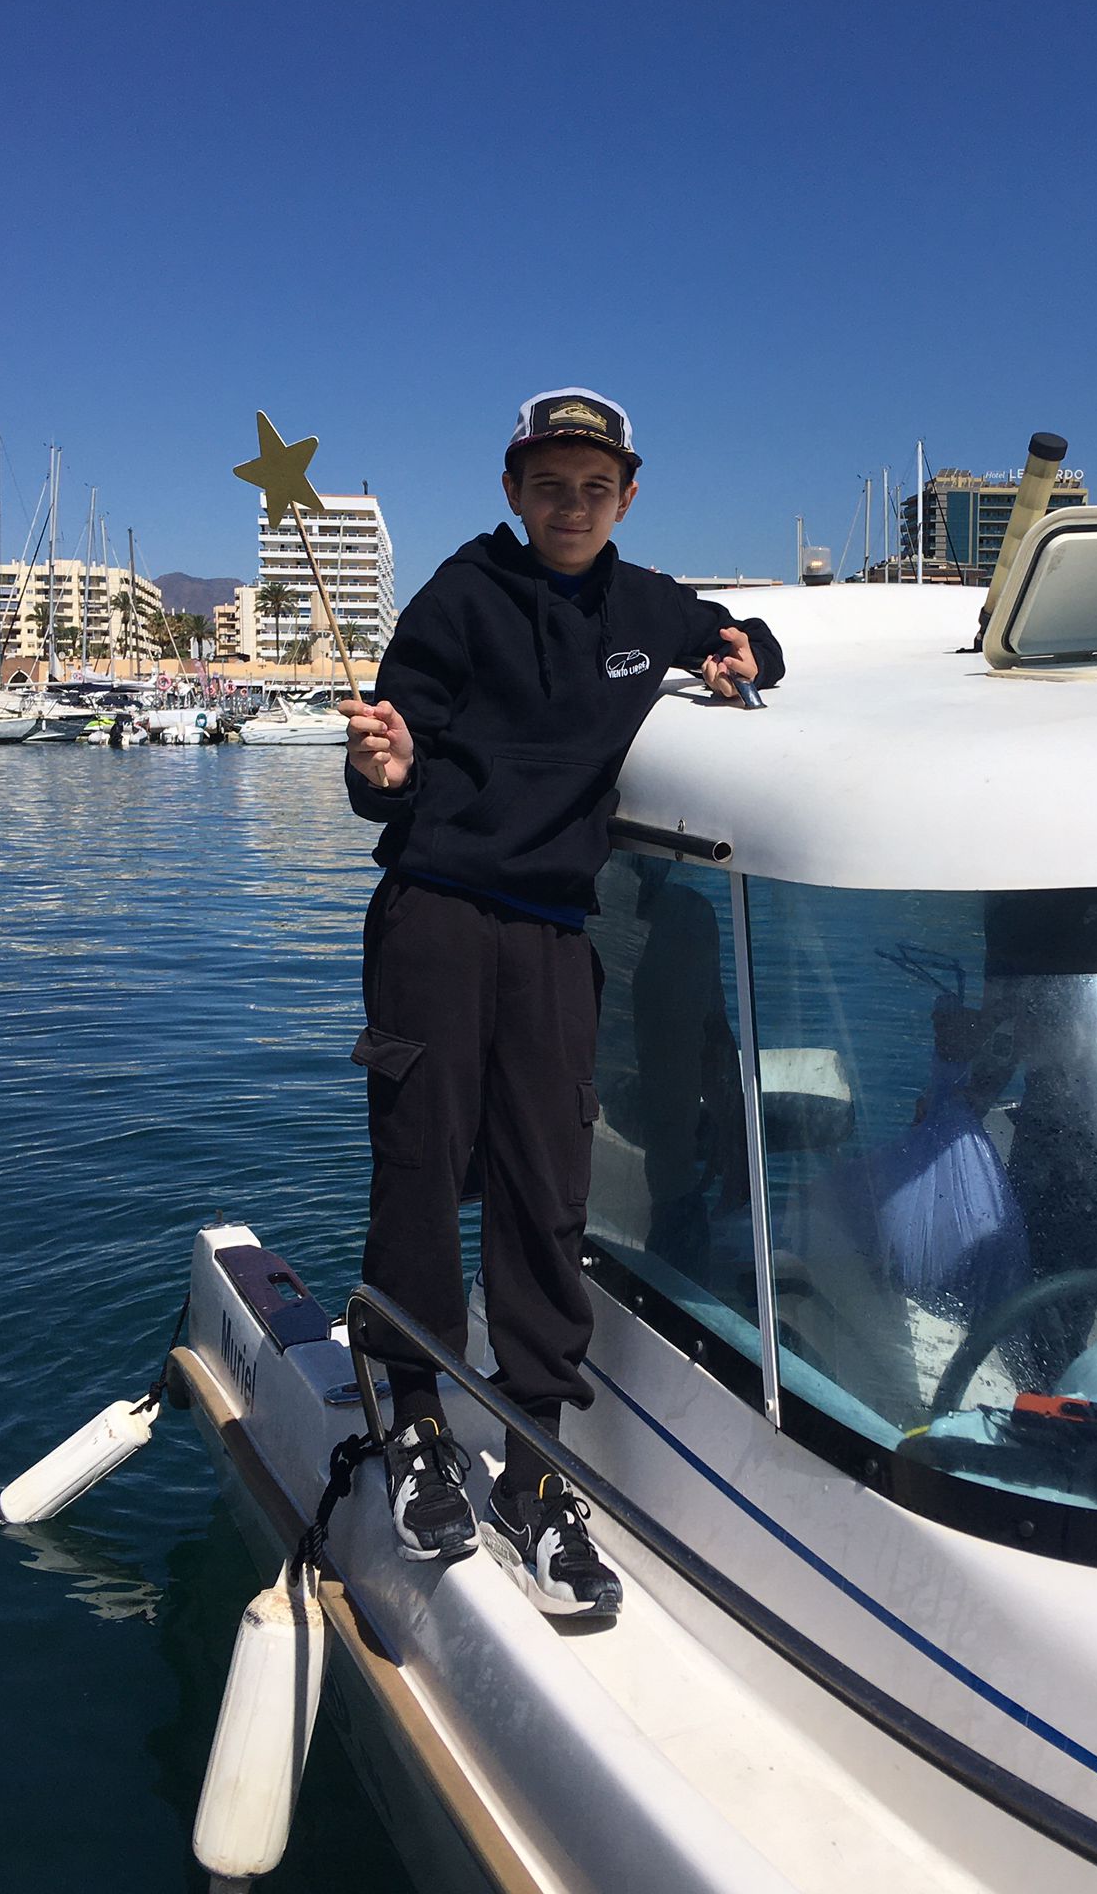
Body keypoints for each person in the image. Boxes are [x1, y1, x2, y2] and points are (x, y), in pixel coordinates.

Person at [340, 388, 784, 1616]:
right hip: (435, 911)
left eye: (594, 487)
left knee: (548, 1183)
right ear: (512, 489)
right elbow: (385, 757)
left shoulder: (643, 605)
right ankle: (417, 1413)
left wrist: (748, 652)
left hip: (553, 932)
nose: (571, 505)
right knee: (421, 1160)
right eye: (549, 484)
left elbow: (732, 632)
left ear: (628, 496)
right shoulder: (458, 596)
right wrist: (383, 769)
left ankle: (534, 1451)